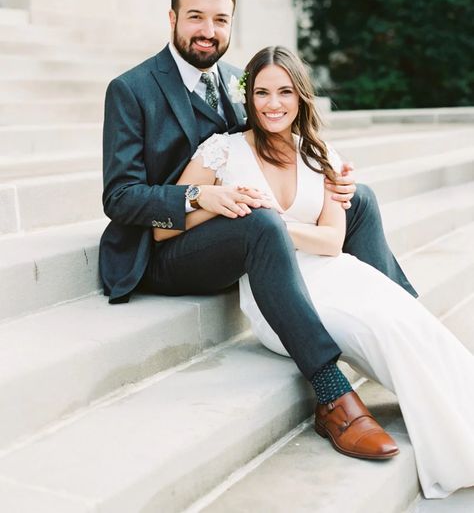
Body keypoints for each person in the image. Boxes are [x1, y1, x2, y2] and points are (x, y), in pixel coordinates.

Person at [100, 0, 415, 462]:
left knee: (360, 199)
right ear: (173, 18)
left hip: (238, 232)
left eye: (220, 20)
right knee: (263, 220)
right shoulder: (131, 89)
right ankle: (332, 393)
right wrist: (197, 198)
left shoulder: (235, 78)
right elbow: (118, 198)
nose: (208, 31)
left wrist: (332, 178)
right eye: (196, 17)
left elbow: (270, 142)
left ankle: (412, 334)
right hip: (164, 249)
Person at [153, 45, 474, 499]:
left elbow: (332, 240)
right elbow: (162, 231)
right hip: (278, 292)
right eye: (261, 92)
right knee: (379, 326)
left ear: (301, 96)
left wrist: (278, 224)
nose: (272, 103)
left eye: (284, 91)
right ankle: (338, 403)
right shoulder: (222, 151)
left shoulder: (319, 153)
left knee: (406, 319)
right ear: (248, 97)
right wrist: (222, 204)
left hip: (333, 270)